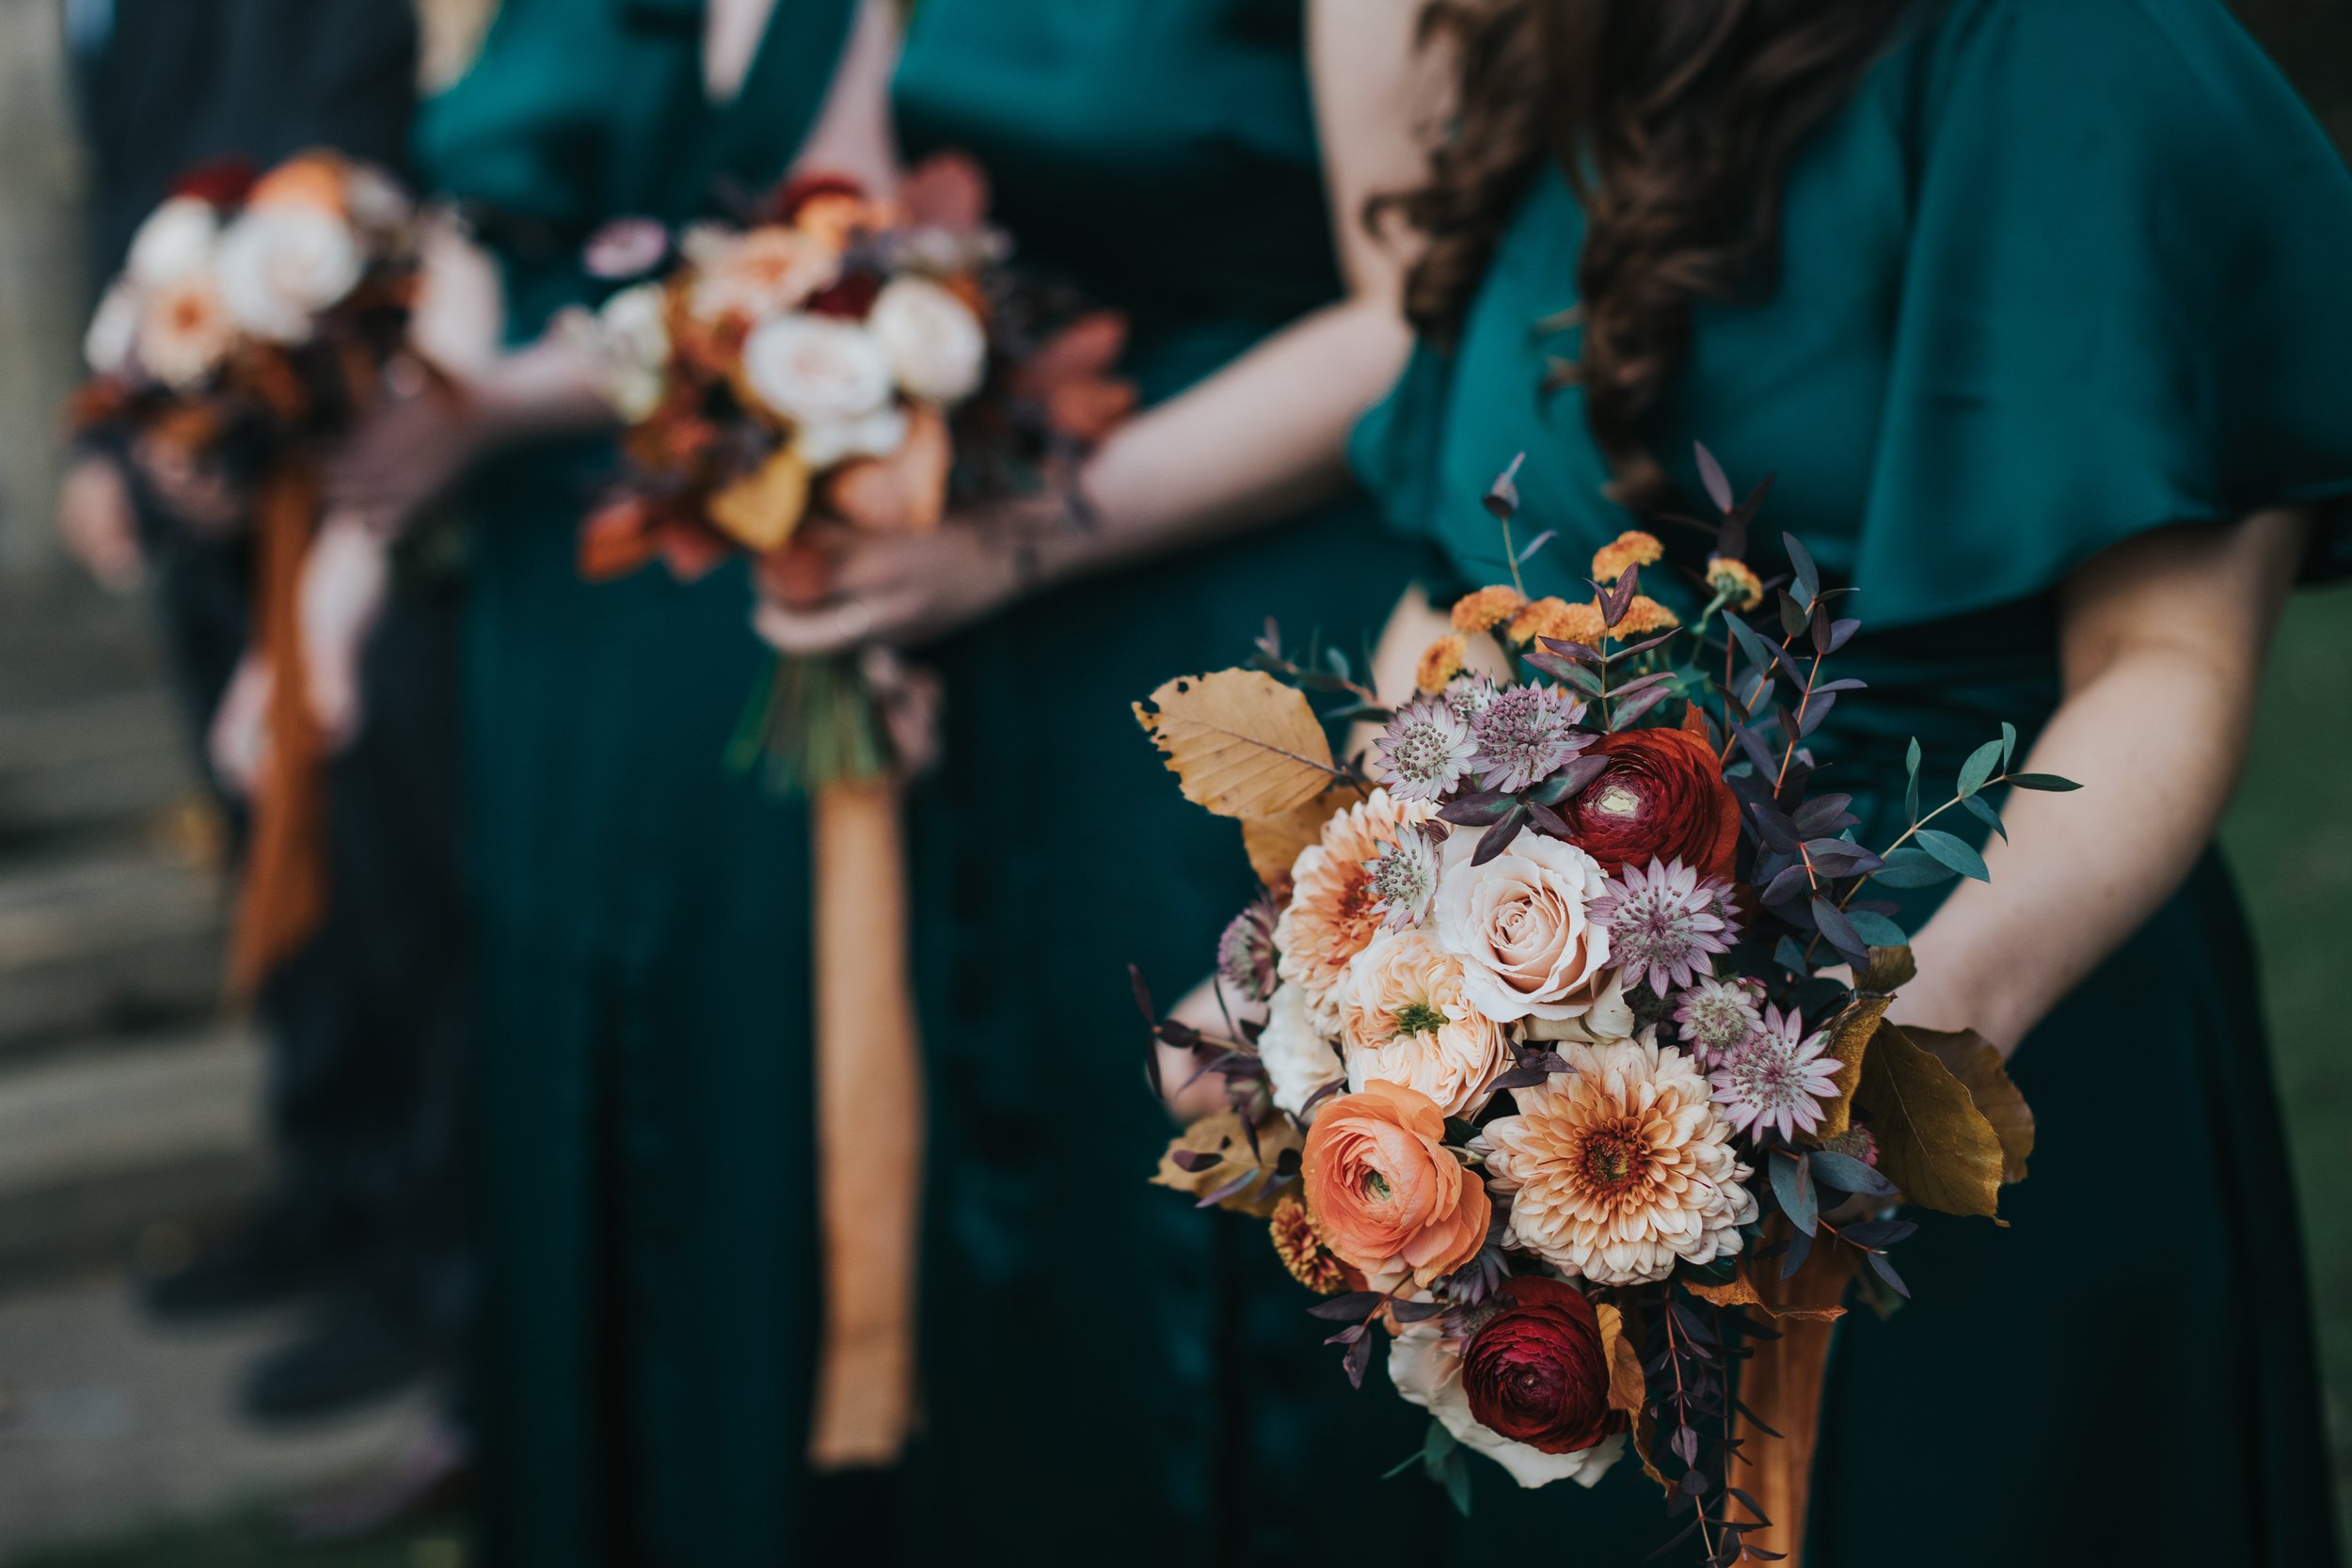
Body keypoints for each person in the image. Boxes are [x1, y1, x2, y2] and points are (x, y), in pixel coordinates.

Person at [1338, 0, 2352, 1560]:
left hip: (1970, 1002)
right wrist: (1349, 951)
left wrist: (1876, 1065)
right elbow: (1455, 592)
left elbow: (2170, 660)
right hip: (1546, 1112)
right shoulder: (1566, 36)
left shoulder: (2075, 52)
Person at [755, 2, 1467, 1558]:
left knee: (1216, 1227)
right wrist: (844, 501)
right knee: (1034, 1198)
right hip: (1007, 645)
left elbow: (1416, 310)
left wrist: (1016, 538)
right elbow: (857, 216)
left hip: (1243, 618)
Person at [325, 0, 900, 1560]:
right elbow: (474, 249)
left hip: (732, 560)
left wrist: (499, 408)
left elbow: (837, 245)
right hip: (538, 595)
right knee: (551, 1032)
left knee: (741, 1040)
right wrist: (331, 591)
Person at [59, 0, 470, 1427]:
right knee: (275, 858)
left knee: (385, 872)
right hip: (189, 457)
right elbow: (128, 199)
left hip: (333, 458)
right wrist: (119, 430)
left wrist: (244, 418)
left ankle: (433, 1256)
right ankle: (335, 1186)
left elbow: (342, 157)